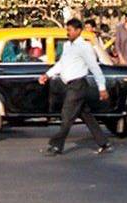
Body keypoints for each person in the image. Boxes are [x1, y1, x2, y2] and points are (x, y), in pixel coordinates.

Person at [43, 18, 113, 156]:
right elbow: (62, 64)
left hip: (78, 85)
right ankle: (104, 143)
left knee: (67, 115)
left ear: (78, 31)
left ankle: (57, 145)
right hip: (69, 85)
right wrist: (48, 74)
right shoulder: (67, 46)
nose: (67, 33)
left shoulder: (84, 47)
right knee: (86, 116)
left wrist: (102, 87)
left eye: (69, 30)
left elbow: (94, 67)